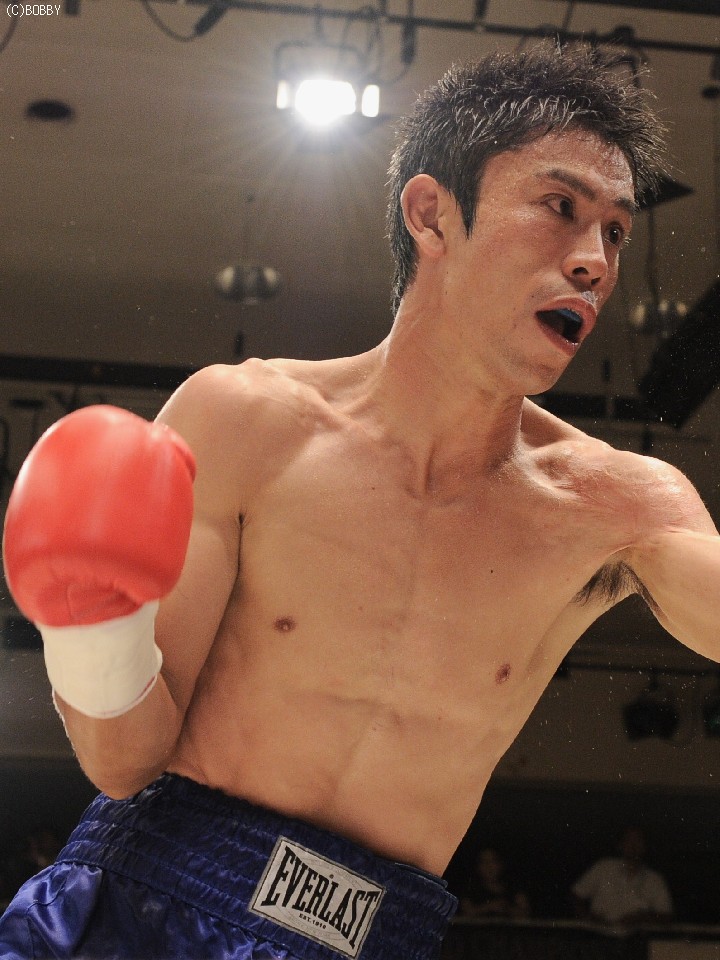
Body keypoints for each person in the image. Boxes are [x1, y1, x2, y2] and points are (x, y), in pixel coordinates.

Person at [1, 41, 718, 960]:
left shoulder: (620, 506)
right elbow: (123, 762)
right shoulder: (245, 420)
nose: (594, 262)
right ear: (431, 213)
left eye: (615, 232)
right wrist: (91, 628)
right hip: (143, 910)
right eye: (559, 207)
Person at [572, 826, 673, 927]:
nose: (633, 845)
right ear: (620, 845)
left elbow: (666, 915)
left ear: (645, 846)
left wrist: (640, 918)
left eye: (638, 840)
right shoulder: (603, 867)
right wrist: (588, 917)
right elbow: (577, 895)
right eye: (628, 840)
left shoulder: (655, 879)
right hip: (598, 932)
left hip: (636, 934)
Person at [459, 846, 531, 920]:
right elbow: (466, 913)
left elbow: (525, 912)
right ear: (478, 867)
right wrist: (489, 907)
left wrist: (506, 908)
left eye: (493, 861)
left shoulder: (513, 888)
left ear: (500, 864)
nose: (489, 866)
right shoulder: (470, 890)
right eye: (484, 862)